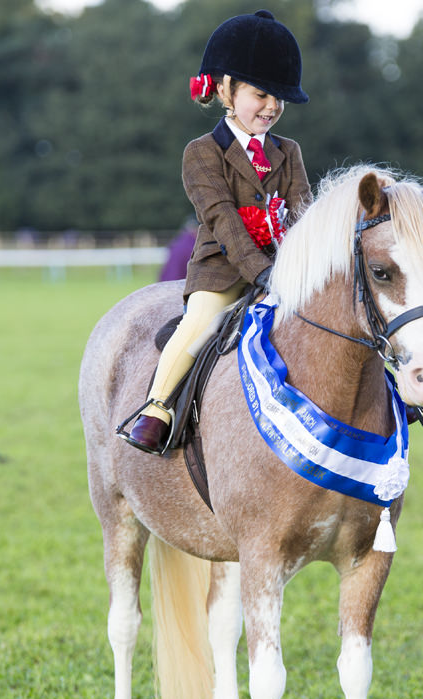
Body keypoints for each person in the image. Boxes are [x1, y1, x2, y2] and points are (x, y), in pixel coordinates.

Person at [121, 9, 312, 453]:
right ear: (225, 89)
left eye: (279, 99)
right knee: (201, 324)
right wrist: (262, 272)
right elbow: (222, 219)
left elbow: (303, 214)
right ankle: (157, 408)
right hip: (224, 271)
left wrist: (302, 266)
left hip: (286, 270)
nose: (272, 107)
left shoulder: (290, 151)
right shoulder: (202, 153)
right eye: (261, 94)